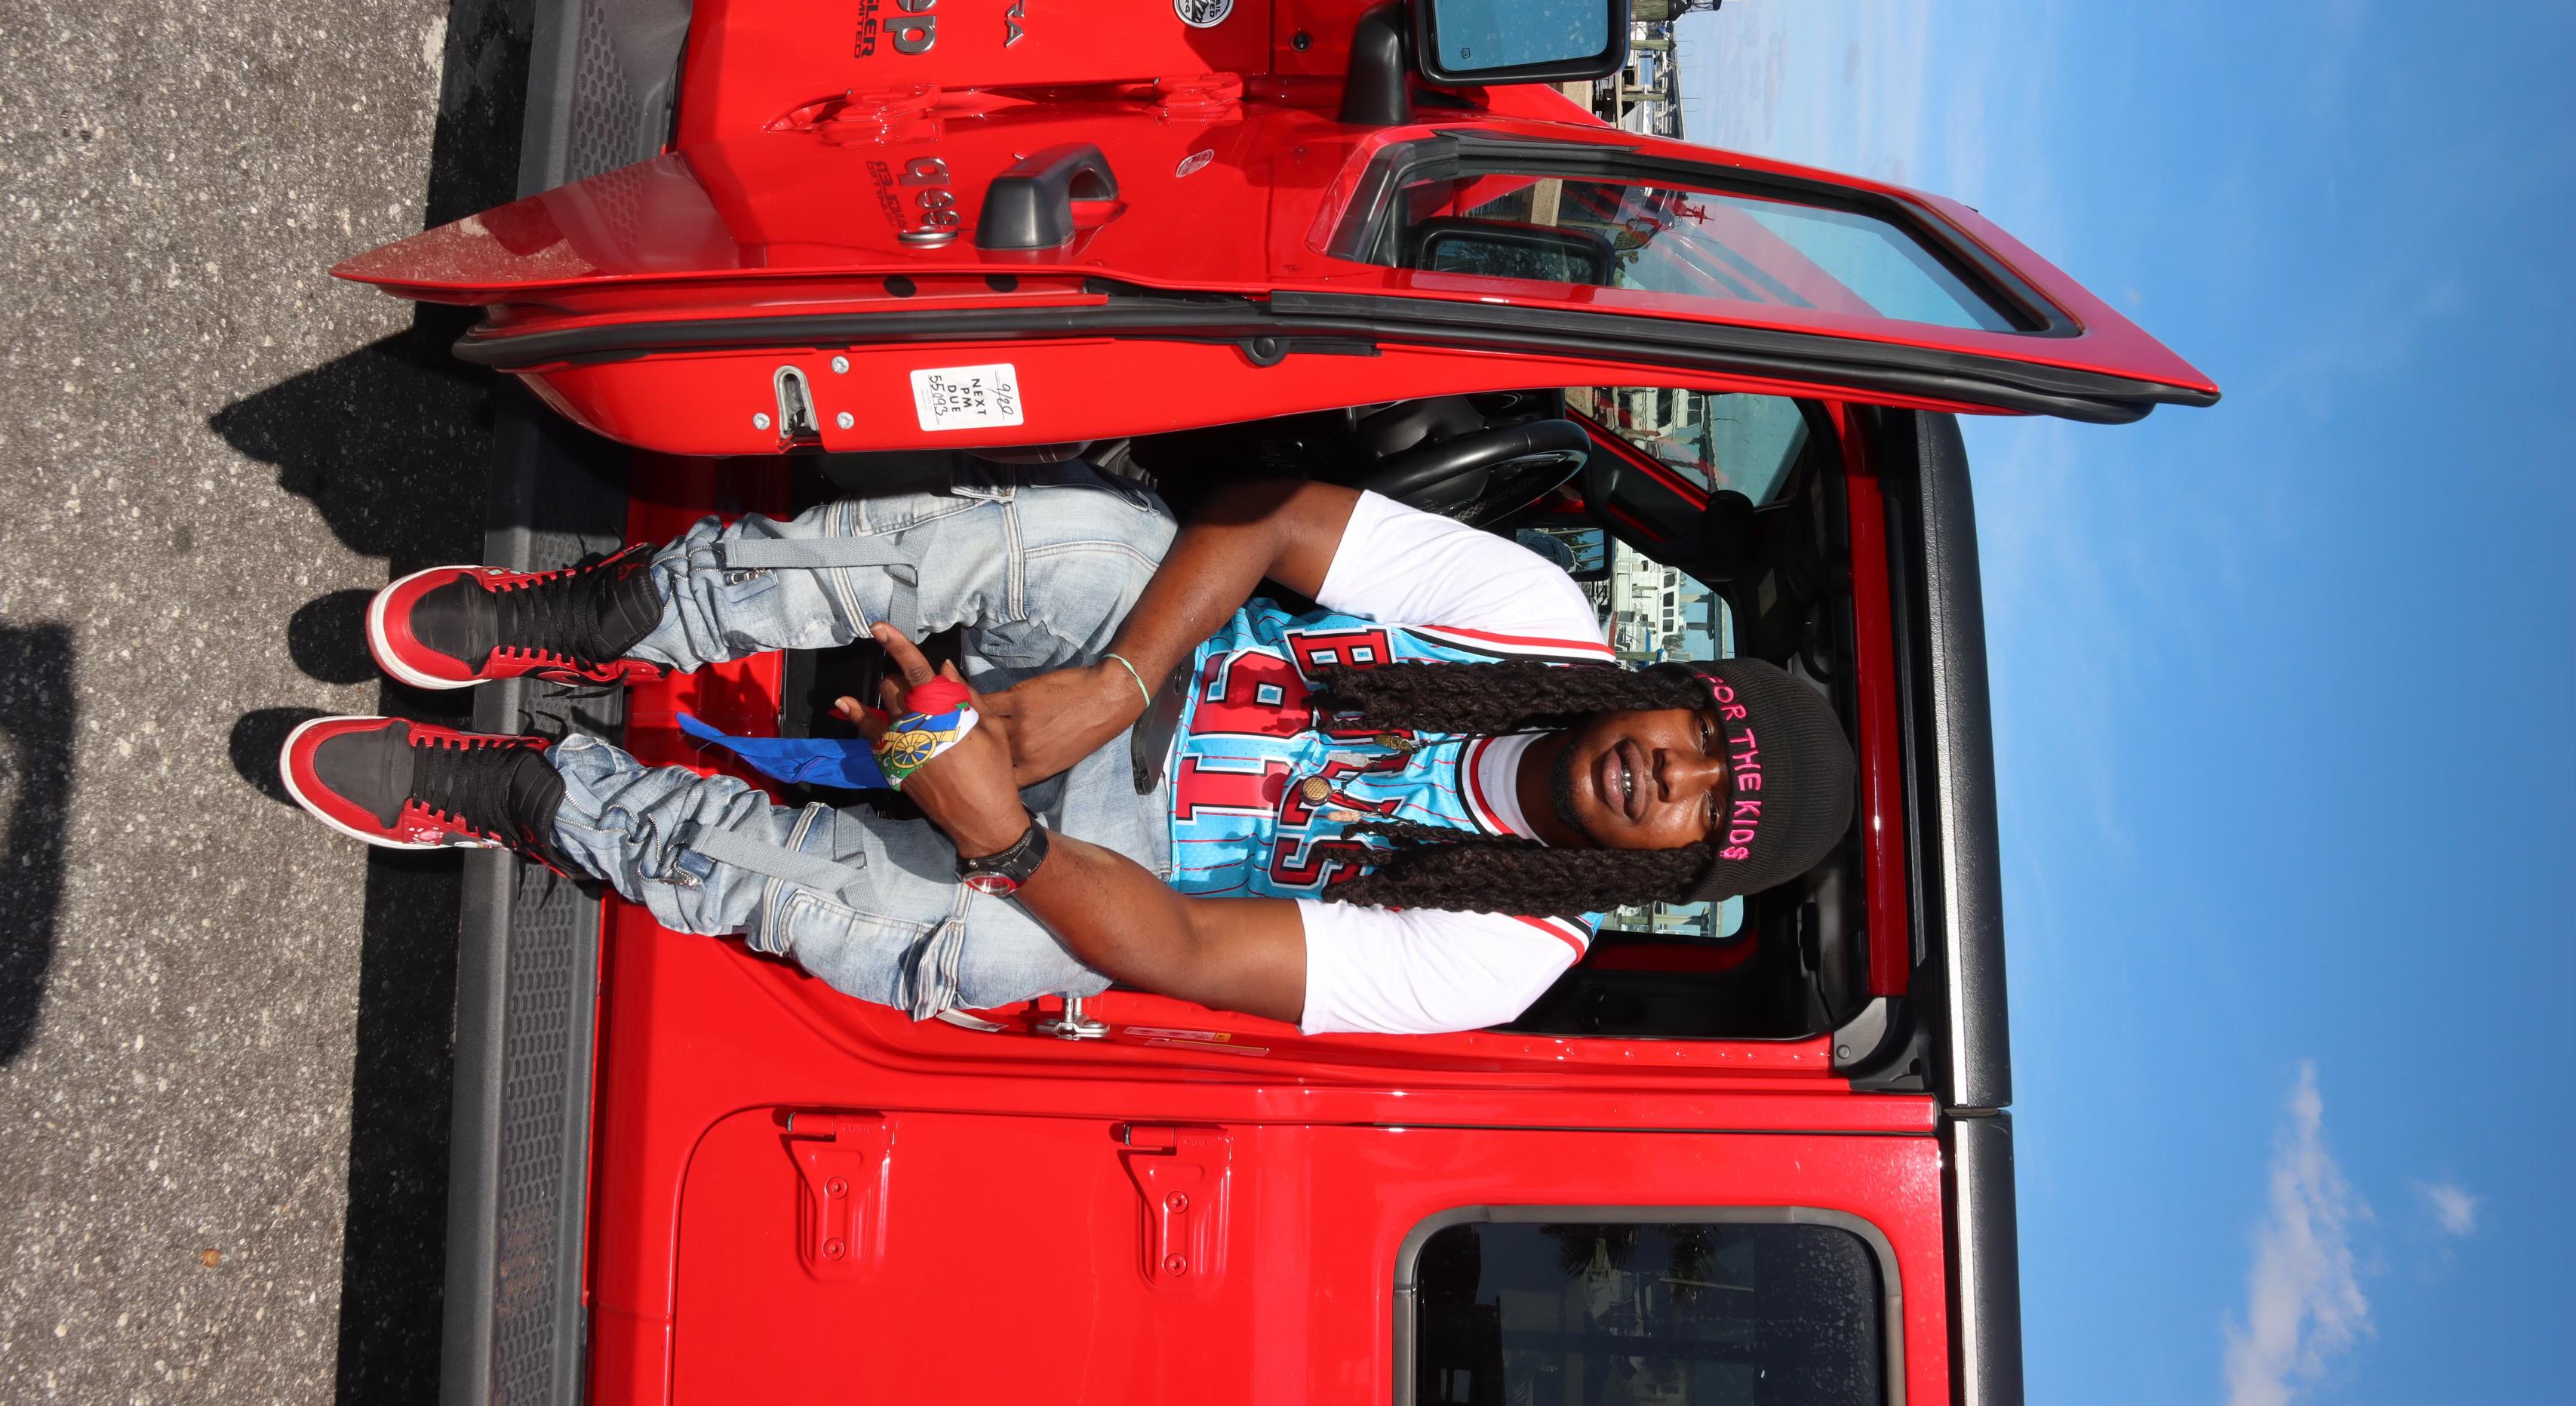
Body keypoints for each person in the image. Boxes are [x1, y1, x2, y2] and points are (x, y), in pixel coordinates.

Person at [282, 459, 1854, 1035]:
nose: (1672, 773)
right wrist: (1114, 680)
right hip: (1143, 664)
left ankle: (540, 798)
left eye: (1702, 812)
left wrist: (1006, 833)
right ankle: (618, 611)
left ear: (1675, 872)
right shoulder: (1533, 619)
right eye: (1704, 736)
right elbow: (1269, 520)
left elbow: (1185, 949)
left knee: (963, 953)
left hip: (1111, 873)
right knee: (1093, 539)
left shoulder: (1506, 957)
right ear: (1673, 690)